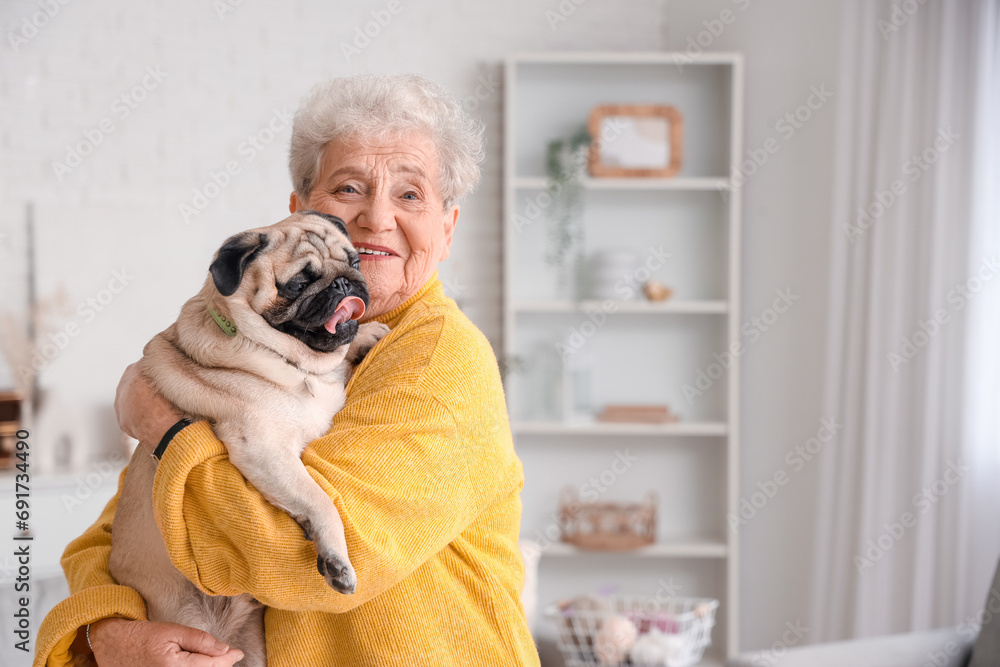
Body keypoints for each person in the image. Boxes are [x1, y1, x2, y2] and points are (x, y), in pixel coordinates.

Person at [33, 73, 540, 667]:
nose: (376, 219)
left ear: (447, 229)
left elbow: (301, 562)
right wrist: (105, 633)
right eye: (349, 188)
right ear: (299, 211)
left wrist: (168, 429)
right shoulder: (255, 350)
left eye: (410, 195)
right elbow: (119, 529)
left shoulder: (437, 360)